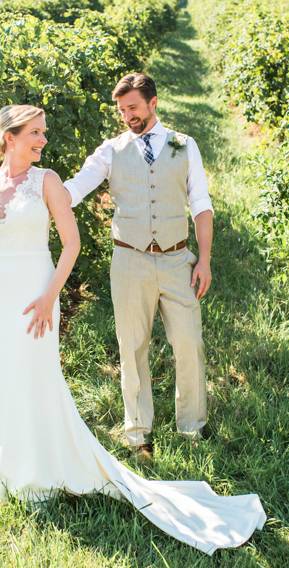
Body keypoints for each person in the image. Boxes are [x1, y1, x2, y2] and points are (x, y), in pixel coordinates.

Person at [0, 104, 265, 555]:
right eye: (35, 132)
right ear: (9, 136)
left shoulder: (47, 180)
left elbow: (71, 241)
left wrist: (50, 296)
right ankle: (11, 471)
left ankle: (47, 470)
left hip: (36, 294)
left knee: (38, 378)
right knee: (1, 383)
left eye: (44, 132)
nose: (44, 139)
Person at [63, 73, 211, 461]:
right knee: (132, 347)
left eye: (133, 107)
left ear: (153, 103)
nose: (127, 115)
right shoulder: (111, 151)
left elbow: (201, 205)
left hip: (179, 259)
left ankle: (192, 427)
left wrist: (205, 260)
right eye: (122, 109)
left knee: (189, 343)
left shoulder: (184, 146)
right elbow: (76, 188)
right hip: (129, 259)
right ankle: (138, 434)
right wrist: (35, 193)